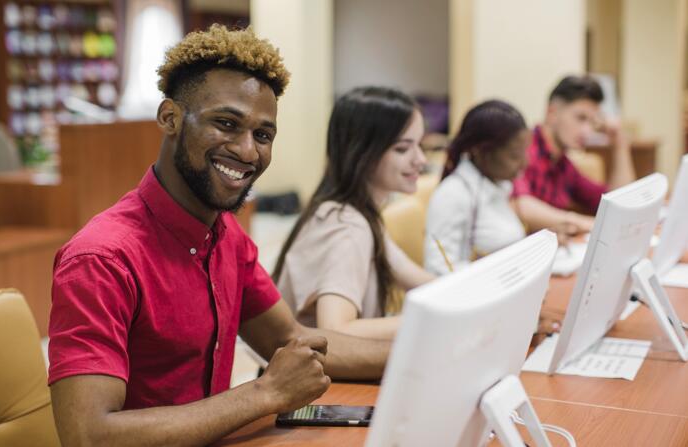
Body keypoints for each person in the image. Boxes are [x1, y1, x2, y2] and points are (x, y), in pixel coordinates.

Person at [48, 26, 390, 446]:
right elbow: (89, 435)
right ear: (170, 118)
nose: (248, 152)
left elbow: (289, 341)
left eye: (263, 135)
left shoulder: (224, 234)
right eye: (226, 124)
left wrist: (426, 357)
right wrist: (263, 393)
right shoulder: (100, 258)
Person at [273, 87, 436, 341]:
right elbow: (336, 330)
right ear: (362, 153)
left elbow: (414, 277)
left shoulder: (361, 214)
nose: (421, 159)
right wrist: (427, 319)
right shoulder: (346, 226)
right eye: (403, 149)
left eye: (420, 145)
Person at [513, 75, 635, 233]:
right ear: (552, 113)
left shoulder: (564, 166)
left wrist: (620, 145)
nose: (587, 131)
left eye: (592, 122)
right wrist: (585, 224)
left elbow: (618, 203)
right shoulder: (522, 149)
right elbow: (522, 205)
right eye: (581, 118)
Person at [424, 100, 530, 275]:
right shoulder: (453, 194)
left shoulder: (496, 184)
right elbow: (439, 271)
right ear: (480, 151)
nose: (525, 163)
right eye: (515, 155)